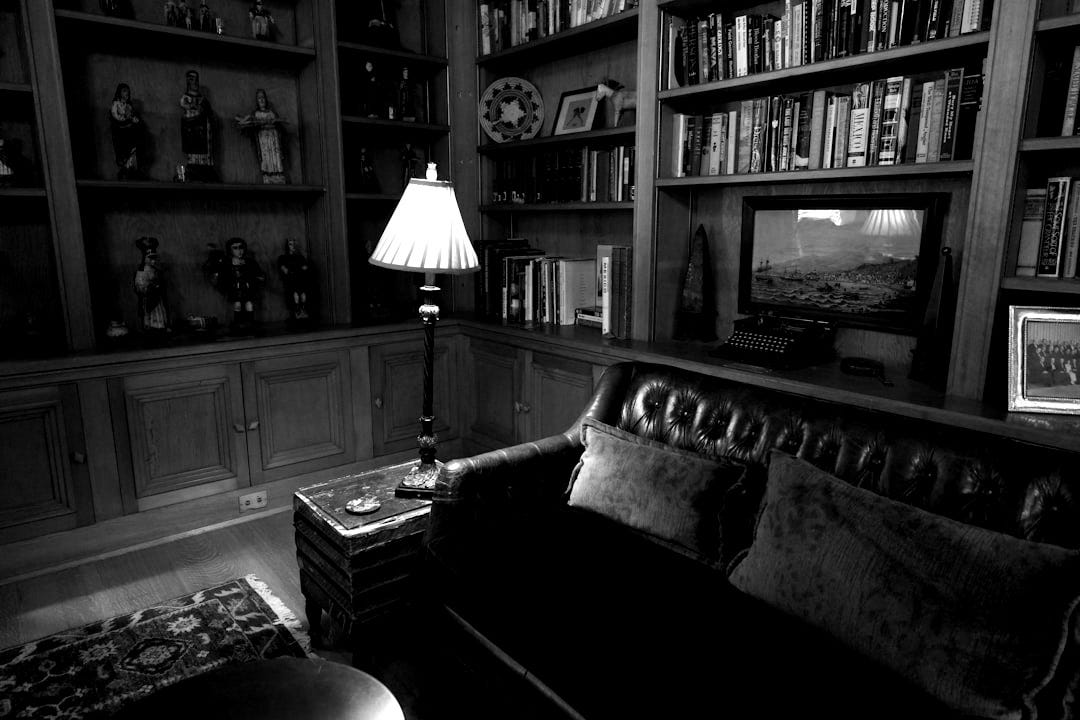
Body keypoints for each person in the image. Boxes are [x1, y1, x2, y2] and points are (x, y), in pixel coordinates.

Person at [234, 88, 286, 184]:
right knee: (266, 157)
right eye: (259, 98)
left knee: (275, 156)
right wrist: (242, 120)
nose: (261, 100)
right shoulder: (255, 114)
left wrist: (275, 124)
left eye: (263, 97)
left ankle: (278, 175)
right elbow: (244, 121)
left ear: (266, 99)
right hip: (263, 139)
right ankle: (268, 175)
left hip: (273, 138)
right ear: (257, 101)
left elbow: (279, 125)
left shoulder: (272, 113)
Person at [179, 70, 215, 180]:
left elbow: (209, 112)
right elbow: (186, 107)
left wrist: (204, 111)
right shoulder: (185, 98)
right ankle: (194, 167)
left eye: (196, 79)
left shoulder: (203, 99)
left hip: (203, 129)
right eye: (191, 79)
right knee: (193, 148)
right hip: (192, 127)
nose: (194, 82)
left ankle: (204, 166)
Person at [223, 237, 265, 330]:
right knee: (237, 304)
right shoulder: (227, 263)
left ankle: (250, 322)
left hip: (247, 287)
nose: (239, 250)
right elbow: (224, 277)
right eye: (235, 248)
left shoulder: (250, 262)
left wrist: (257, 278)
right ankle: (238, 322)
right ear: (230, 250)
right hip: (236, 288)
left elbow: (259, 274)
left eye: (241, 247)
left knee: (249, 304)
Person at [133, 237, 168, 332]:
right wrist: (151, 287)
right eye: (150, 258)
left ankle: (159, 328)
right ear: (145, 258)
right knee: (150, 319)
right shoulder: (142, 271)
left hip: (157, 298)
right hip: (149, 299)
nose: (153, 261)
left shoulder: (156, 270)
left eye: (154, 258)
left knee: (159, 317)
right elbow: (140, 286)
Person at [109, 83, 142, 180]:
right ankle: (124, 168)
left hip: (128, 132)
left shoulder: (128, 106)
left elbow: (130, 116)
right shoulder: (116, 104)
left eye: (127, 91)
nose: (126, 93)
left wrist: (133, 119)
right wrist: (126, 119)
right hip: (119, 132)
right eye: (124, 91)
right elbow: (116, 116)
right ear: (119, 92)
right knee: (122, 151)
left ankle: (129, 166)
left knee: (131, 149)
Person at [277, 238, 312, 321]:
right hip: (290, 281)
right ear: (287, 246)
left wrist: (294, 269)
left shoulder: (300, 257)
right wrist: (297, 269)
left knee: (303, 294)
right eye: (290, 244)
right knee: (295, 294)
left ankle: (302, 310)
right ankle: (297, 311)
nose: (293, 246)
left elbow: (305, 268)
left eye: (294, 244)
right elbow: (285, 270)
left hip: (300, 280)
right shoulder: (283, 258)